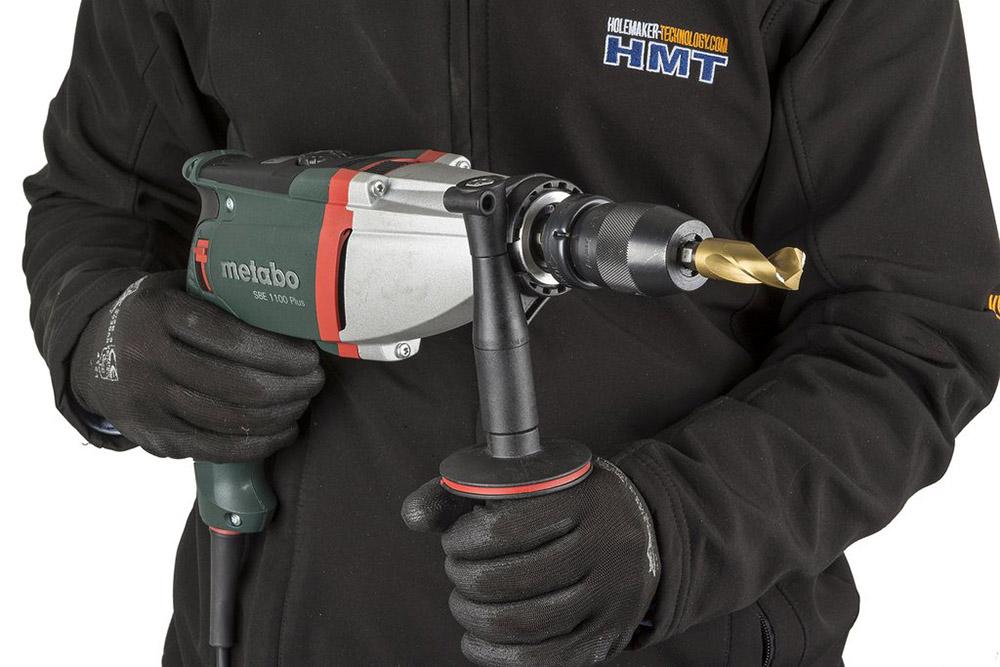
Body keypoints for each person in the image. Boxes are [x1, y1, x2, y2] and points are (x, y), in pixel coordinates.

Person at [23, 0, 999, 665]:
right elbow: (101, 201)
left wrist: (668, 527)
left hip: (687, 638)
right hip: (276, 632)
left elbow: (910, 324)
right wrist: (104, 338)